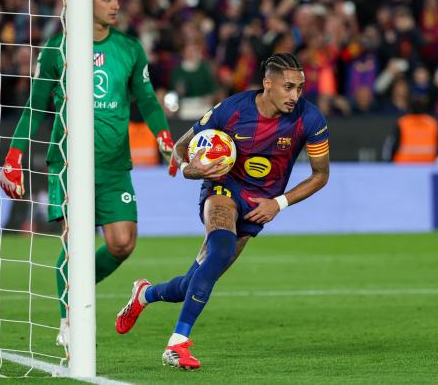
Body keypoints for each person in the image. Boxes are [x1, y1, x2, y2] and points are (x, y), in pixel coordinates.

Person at [115, 53, 330, 369]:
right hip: (224, 188)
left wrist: (279, 203)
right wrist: (190, 169)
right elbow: (179, 149)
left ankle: (144, 294)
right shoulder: (232, 110)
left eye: (299, 88)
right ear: (267, 84)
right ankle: (177, 344)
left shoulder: (309, 119)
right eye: (288, 87)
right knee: (220, 250)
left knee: (191, 284)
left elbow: (321, 174)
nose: (295, 95)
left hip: (261, 204)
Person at [0, 0, 174, 346]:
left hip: (113, 165)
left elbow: (146, 99)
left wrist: (163, 135)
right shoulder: (57, 49)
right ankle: (68, 318)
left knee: (122, 243)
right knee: (75, 240)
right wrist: (13, 155)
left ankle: (76, 289)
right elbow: (35, 107)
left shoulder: (129, 49)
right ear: (84, 2)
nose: (116, 4)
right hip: (69, 163)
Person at [383, 95, 438, 163]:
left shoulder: (403, 122)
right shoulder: (432, 123)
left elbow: (391, 144)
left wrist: (389, 163)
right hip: (427, 165)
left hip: (403, 166)